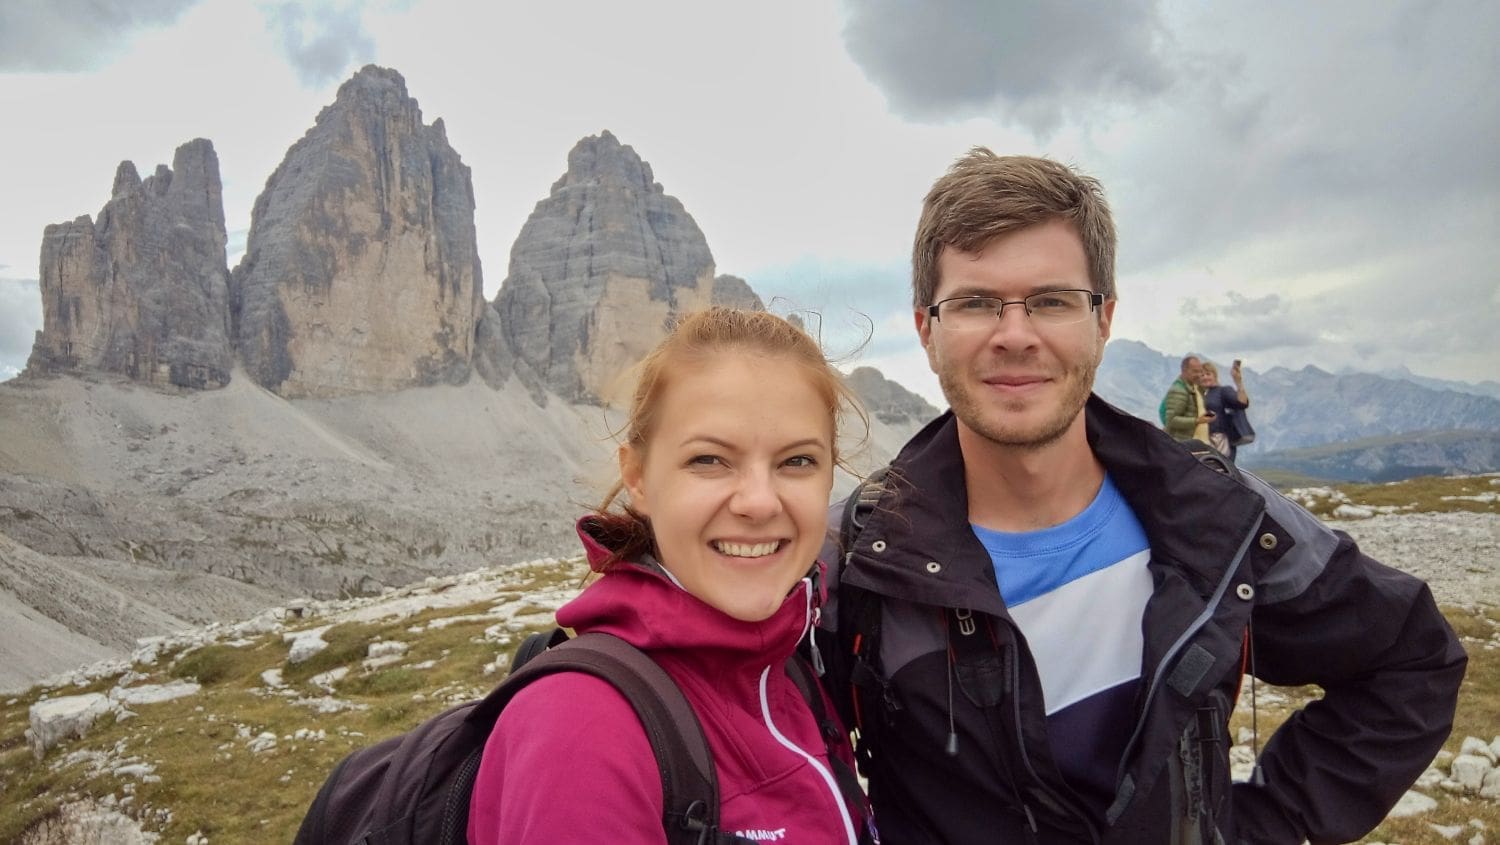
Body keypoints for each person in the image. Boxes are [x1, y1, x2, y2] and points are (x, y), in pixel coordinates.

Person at [815, 150, 1465, 843]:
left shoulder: (1217, 517)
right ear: (926, 330)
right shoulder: (850, 556)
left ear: (1104, 318)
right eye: (975, 303)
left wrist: (1260, 828)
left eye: (1052, 300)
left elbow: (1412, 659)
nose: (1015, 334)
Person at [468, 308, 871, 843]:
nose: (758, 501)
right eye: (709, 460)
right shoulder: (579, 728)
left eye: (797, 461)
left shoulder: (793, 672)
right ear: (637, 477)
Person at [1201, 360, 1251, 461]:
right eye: (1202, 375)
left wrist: (1238, 381)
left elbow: (1242, 403)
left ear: (1214, 375)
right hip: (1204, 439)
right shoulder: (1201, 394)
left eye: (1208, 374)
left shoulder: (1223, 391)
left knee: (1221, 470)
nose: (1205, 377)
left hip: (1220, 440)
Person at [1163, 354, 1212, 442]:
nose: (1198, 375)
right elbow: (1171, 420)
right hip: (1180, 444)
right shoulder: (1179, 390)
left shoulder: (1194, 388)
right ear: (1184, 371)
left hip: (1193, 442)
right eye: (1195, 371)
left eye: (1200, 371)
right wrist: (1197, 421)